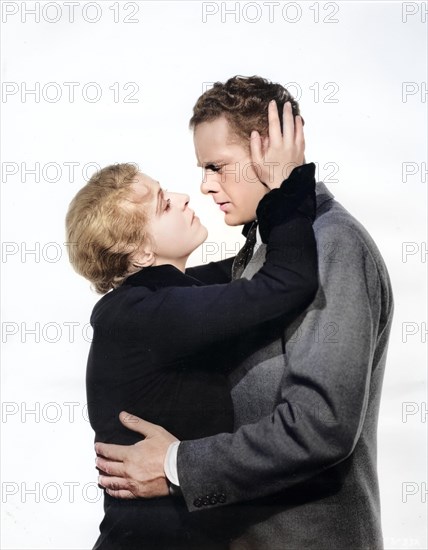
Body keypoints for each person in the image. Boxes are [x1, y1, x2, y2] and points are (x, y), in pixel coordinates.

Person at [95, 76, 394, 550]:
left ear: (268, 154)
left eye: (217, 166)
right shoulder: (268, 245)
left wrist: (176, 465)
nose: (204, 186)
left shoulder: (332, 245)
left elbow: (321, 426)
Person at [66, 102, 319, 549]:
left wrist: (257, 193)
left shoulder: (162, 297)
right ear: (140, 253)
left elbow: (248, 272)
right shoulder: (147, 315)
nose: (185, 197)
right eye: (165, 205)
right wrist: (287, 184)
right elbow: (285, 282)